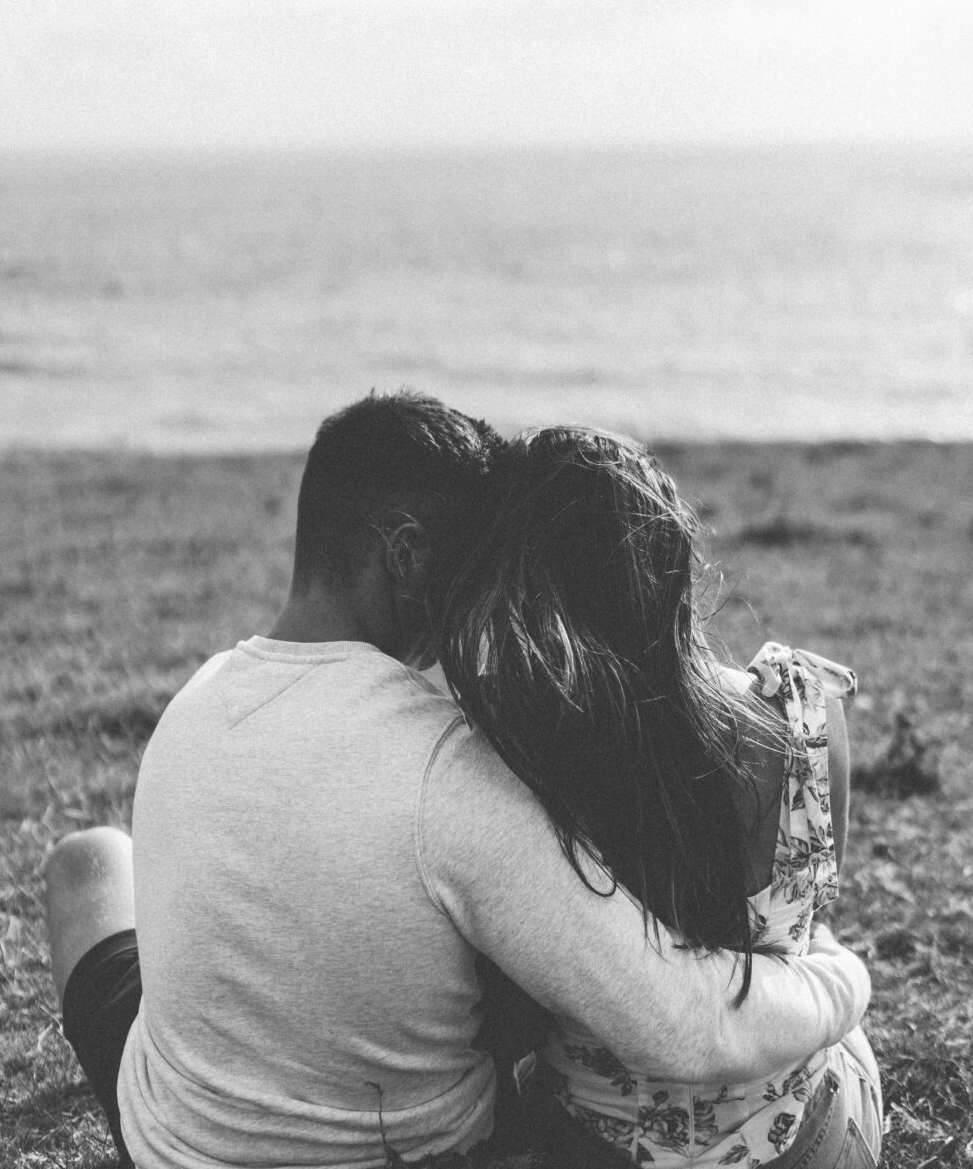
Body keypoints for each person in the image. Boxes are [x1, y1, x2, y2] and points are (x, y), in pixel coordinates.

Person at [45, 392, 873, 1169]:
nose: (483, 602)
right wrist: (841, 977)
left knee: (87, 860)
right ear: (406, 555)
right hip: (410, 1151)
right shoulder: (446, 768)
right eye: (472, 568)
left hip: (170, 1142)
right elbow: (679, 1026)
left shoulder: (198, 697)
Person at [429, 426, 883, 1168]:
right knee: (835, 1011)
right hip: (802, 1145)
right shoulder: (807, 713)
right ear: (672, 563)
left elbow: (503, 1011)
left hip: (590, 1147)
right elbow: (808, 908)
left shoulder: (507, 754)